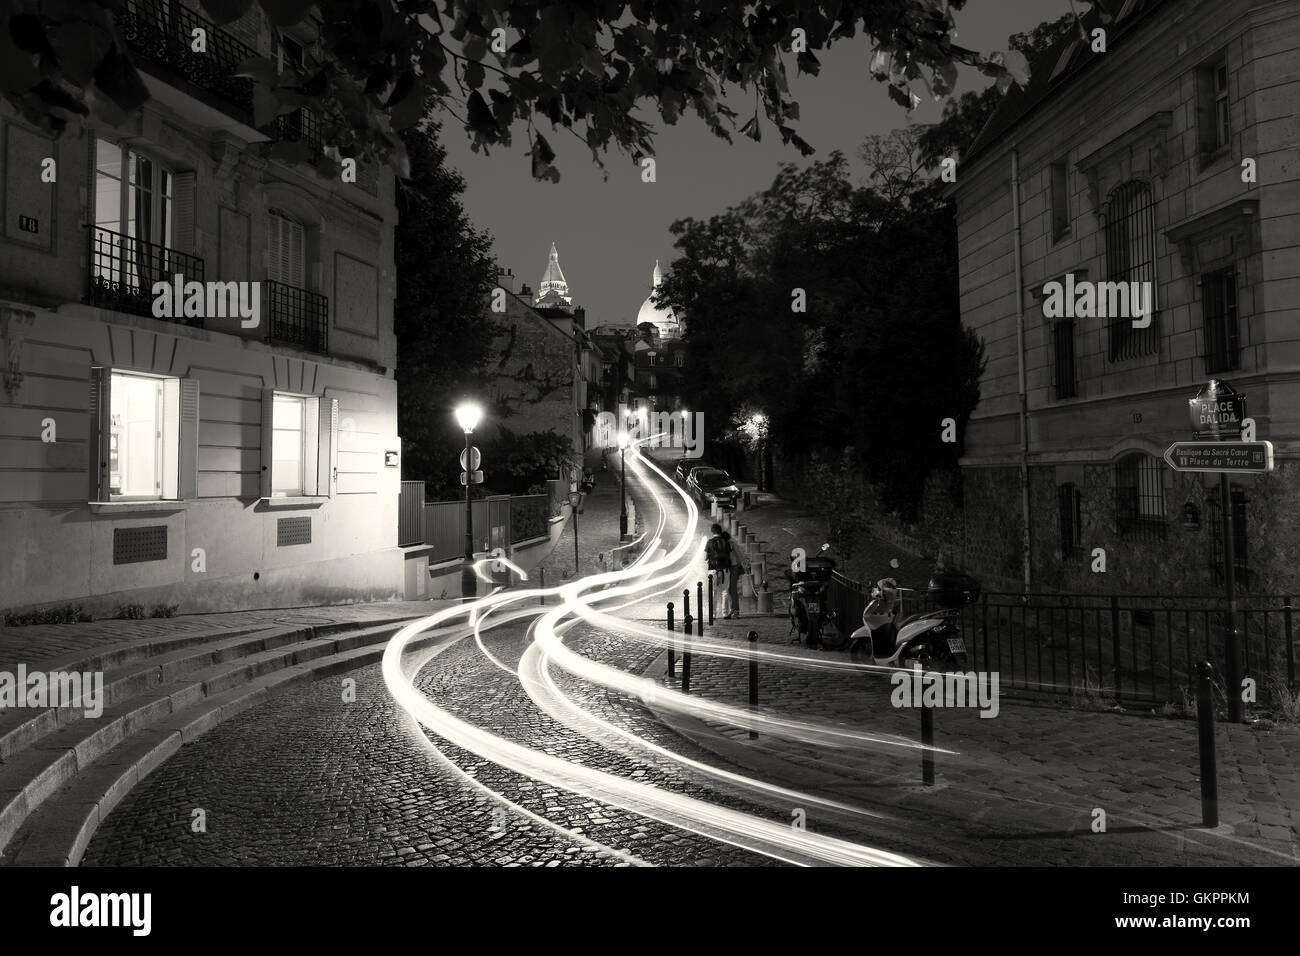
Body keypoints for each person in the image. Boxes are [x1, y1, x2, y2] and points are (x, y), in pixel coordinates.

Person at [706, 523, 748, 619]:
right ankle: (726, 612)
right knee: (725, 591)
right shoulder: (726, 542)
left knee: (715, 592)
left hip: (719, 569)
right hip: (726, 569)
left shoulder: (712, 542)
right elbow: (732, 555)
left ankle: (714, 614)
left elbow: (707, 556)